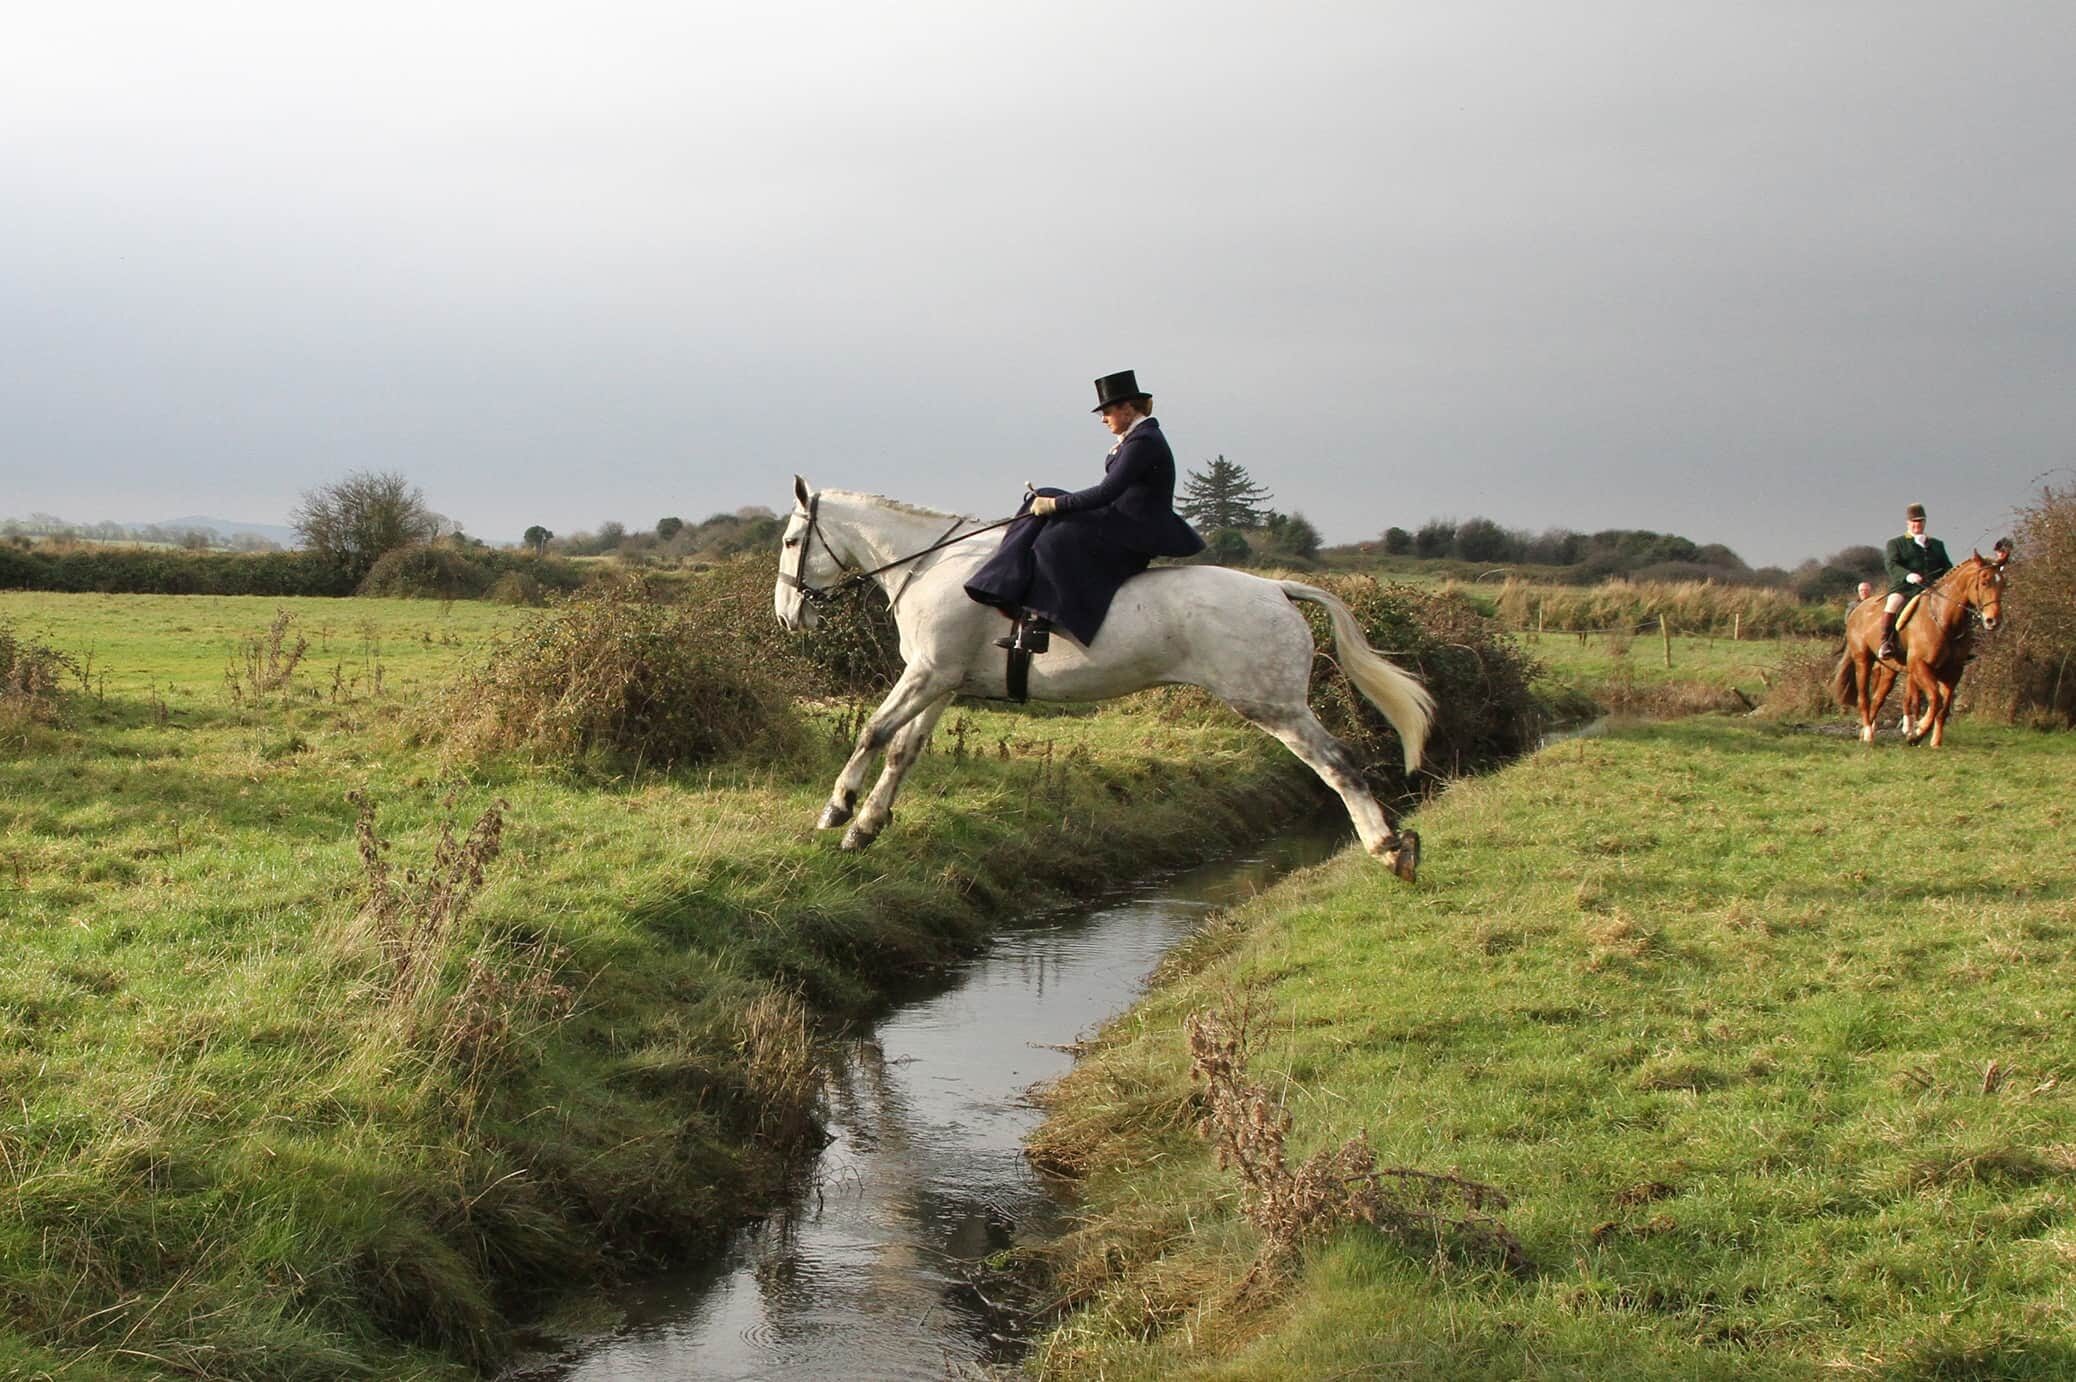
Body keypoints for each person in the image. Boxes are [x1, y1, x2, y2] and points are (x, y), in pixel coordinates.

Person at [965, 370, 1206, 654]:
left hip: (1134, 530)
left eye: (1107, 412)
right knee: (1046, 494)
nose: (1104, 420)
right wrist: (1050, 500)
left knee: (1054, 539)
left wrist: (1055, 506)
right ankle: (1004, 587)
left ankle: (1040, 622)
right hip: (1121, 520)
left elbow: (1106, 493)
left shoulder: (1144, 441)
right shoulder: (1136, 437)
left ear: (1127, 408)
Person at [1878, 501, 1952, 661]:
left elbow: (1947, 567)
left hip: (1932, 588)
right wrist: (1908, 575)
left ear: (1925, 522)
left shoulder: (1937, 544)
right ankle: (1886, 642)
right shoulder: (1896, 543)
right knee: (1893, 604)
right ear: (1908, 523)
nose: (1917, 524)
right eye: (1914, 521)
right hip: (1905, 588)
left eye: (1920, 521)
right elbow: (1891, 564)